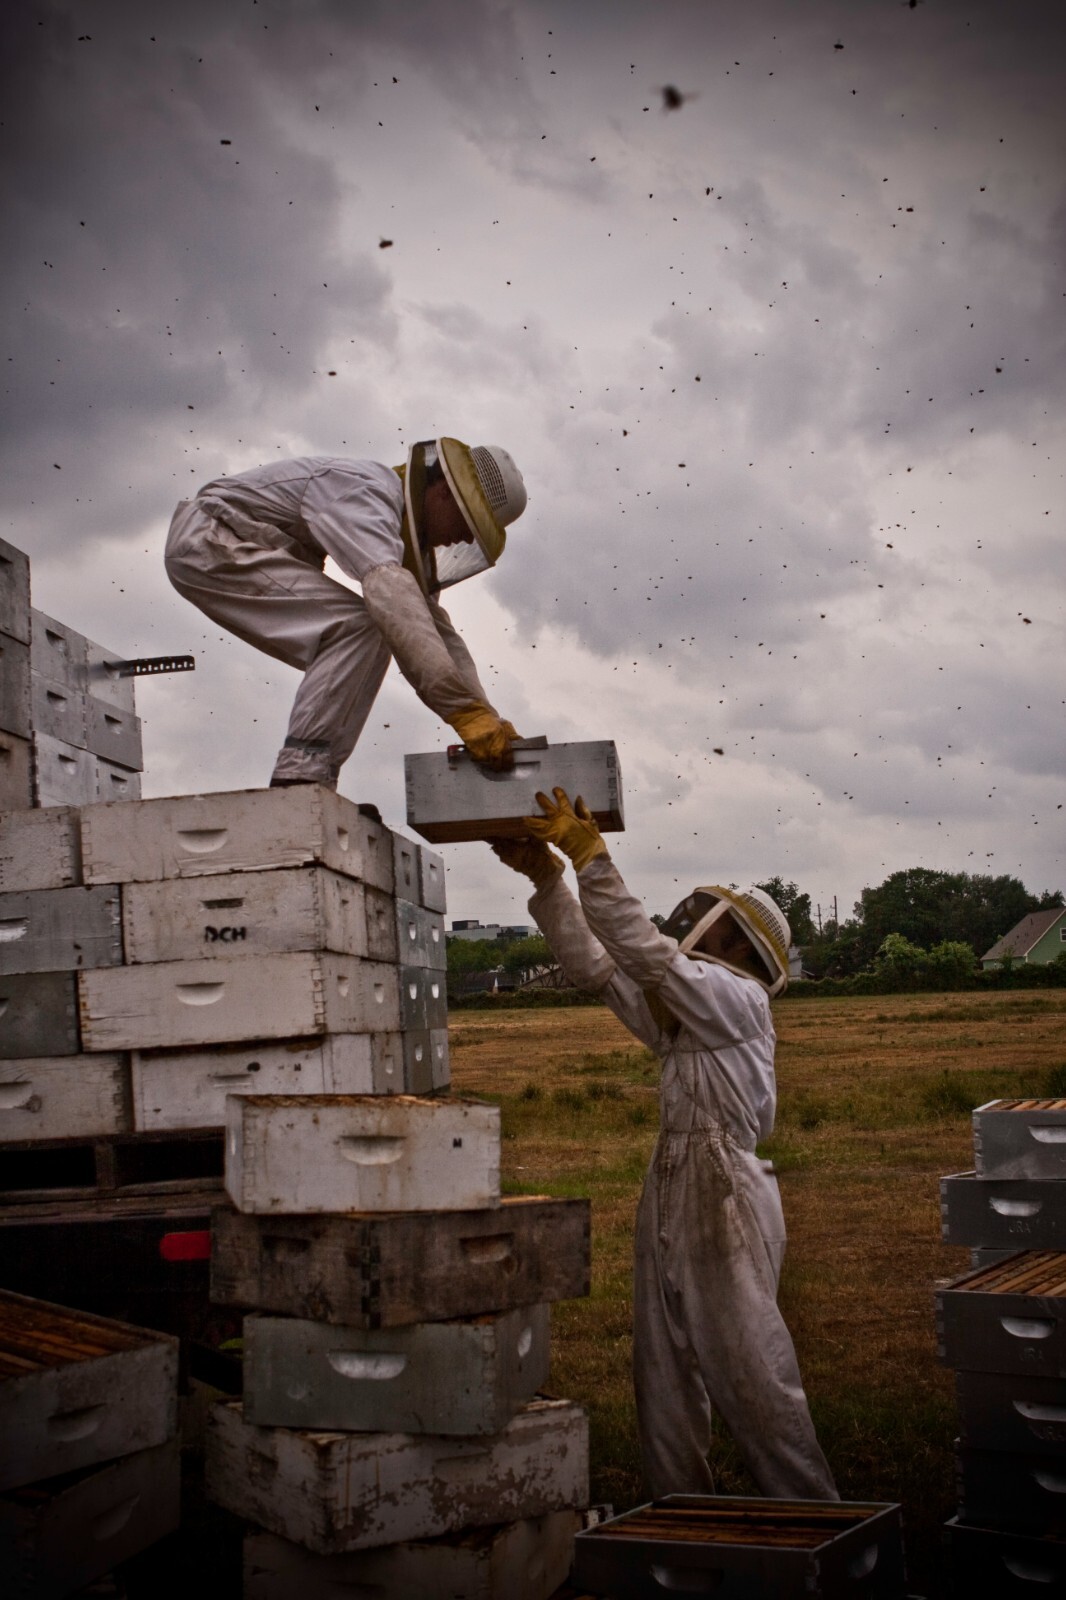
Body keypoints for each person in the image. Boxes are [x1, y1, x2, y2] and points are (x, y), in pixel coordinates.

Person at [493, 787, 838, 1501]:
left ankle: (824, 1532)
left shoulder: (736, 1003)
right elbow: (599, 969)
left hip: (725, 1191)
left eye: (709, 926)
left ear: (739, 943)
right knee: (663, 1373)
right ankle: (680, 1525)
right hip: (675, 1178)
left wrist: (592, 859)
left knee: (752, 1375)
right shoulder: (684, 1014)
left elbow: (644, 954)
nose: (692, 928)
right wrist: (549, 881)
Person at [164, 438, 526, 789]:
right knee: (362, 625)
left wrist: (485, 716)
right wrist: (463, 712)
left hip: (236, 546)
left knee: (375, 626)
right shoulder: (366, 491)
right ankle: (301, 774)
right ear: (445, 492)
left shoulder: (398, 532)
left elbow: (433, 631)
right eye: (468, 524)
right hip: (212, 539)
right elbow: (389, 595)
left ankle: (315, 776)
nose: (463, 541)